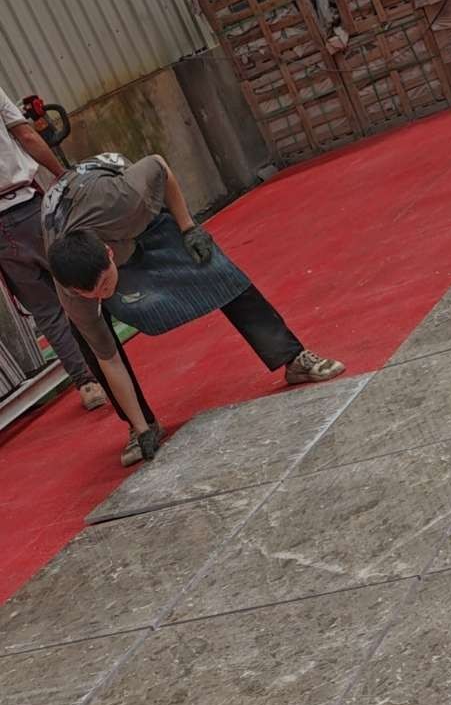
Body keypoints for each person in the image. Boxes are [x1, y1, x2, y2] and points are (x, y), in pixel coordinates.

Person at [44, 152, 346, 465]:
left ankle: (293, 358)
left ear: (109, 254)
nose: (103, 295)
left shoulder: (125, 201)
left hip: (122, 207)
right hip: (82, 226)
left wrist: (188, 228)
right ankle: (141, 425)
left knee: (216, 269)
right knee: (91, 341)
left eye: (106, 285)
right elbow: (109, 359)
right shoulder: (72, 292)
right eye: (91, 293)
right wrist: (140, 426)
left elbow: (159, 163)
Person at [0, 84, 118, 418]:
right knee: (75, 283)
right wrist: (62, 175)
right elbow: (27, 135)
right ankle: (110, 361)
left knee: (45, 309)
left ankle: (87, 384)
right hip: (27, 209)